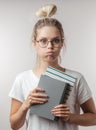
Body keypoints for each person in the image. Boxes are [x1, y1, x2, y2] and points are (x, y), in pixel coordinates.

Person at [9, 4, 96, 130]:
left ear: (61, 43)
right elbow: (14, 125)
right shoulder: (22, 79)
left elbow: (94, 117)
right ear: (35, 43)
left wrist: (70, 117)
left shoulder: (76, 78)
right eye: (43, 41)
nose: (50, 46)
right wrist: (25, 105)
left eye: (55, 40)